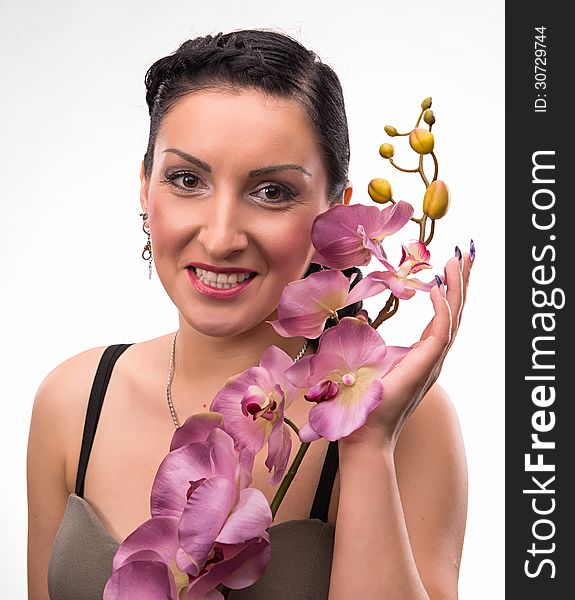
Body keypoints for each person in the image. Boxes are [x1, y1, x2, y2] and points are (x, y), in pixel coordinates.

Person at [27, 28, 472, 600]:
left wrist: (364, 445)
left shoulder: (407, 418)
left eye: (271, 192)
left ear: (335, 213)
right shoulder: (72, 401)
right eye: (187, 180)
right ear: (145, 189)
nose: (219, 238)